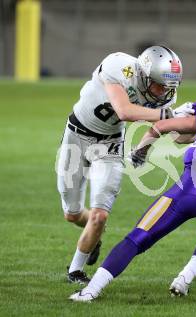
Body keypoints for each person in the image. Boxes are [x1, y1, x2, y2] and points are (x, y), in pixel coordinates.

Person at [69, 81, 196, 301]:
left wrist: (140, 150)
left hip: (186, 187)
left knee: (136, 238)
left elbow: (163, 127)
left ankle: (90, 291)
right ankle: (184, 278)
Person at [56, 45, 187, 285]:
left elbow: (169, 131)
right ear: (144, 75)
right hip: (76, 135)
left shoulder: (166, 96)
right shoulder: (119, 66)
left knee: (100, 216)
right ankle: (94, 236)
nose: (164, 92)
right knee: (72, 214)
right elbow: (124, 111)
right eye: (159, 85)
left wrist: (195, 127)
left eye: (169, 86)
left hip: (110, 144)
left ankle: (75, 270)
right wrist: (170, 116)